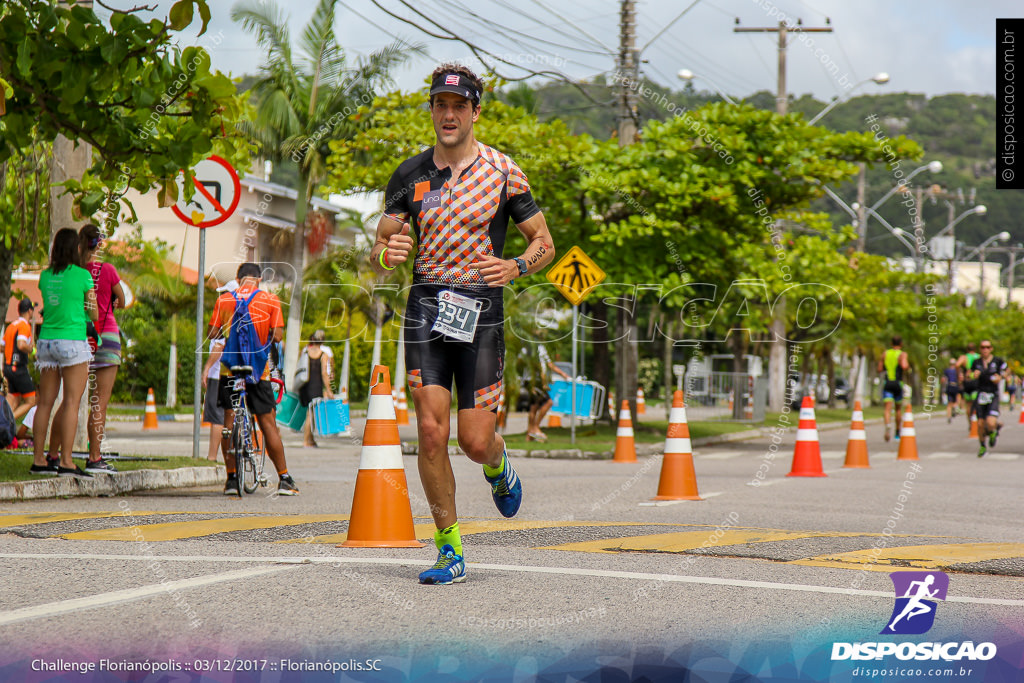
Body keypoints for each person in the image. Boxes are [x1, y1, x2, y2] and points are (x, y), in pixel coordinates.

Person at [373, 63, 555, 584]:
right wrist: (389, 255)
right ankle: (449, 550)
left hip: (481, 311)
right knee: (430, 432)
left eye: (458, 107)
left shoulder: (503, 172)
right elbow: (380, 244)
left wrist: (517, 265)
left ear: (475, 112)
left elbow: (543, 241)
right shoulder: (409, 175)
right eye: (439, 105)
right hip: (427, 306)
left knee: (474, 442)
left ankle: (498, 465)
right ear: (431, 111)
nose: (448, 115)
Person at [208, 262, 297, 495]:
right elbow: (277, 336)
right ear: (259, 281)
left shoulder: (224, 300)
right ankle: (285, 479)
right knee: (267, 423)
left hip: (230, 371)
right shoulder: (270, 300)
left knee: (228, 423)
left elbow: (213, 333)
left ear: (238, 280)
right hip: (258, 371)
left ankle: (230, 479)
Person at [31, 227, 99, 478]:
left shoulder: (45, 276)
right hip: (72, 342)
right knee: (71, 401)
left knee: (45, 403)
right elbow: (92, 313)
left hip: (47, 341)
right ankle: (67, 461)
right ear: (77, 249)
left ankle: (39, 460)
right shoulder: (82, 276)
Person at [79, 224, 125, 473]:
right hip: (106, 334)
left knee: (72, 400)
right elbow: (123, 300)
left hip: (80, 336)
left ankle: (58, 457)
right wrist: (112, 300)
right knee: (100, 402)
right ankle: (94, 457)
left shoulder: (74, 271)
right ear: (99, 244)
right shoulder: (107, 270)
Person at [297, 329, 335, 448]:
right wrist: (329, 389)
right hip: (315, 385)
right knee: (311, 413)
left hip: (304, 385)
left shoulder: (305, 351)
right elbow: (324, 373)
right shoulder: (324, 355)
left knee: (310, 412)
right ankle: (306, 441)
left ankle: (311, 439)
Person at [525, 343, 571, 441]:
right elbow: (535, 366)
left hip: (537, 381)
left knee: (534, 407)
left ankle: (530, 434)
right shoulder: (530, 347)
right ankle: (535, 429)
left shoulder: (541, 347)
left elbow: (549, 364)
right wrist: (543, 383)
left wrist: (563, 374)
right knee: (547, 403)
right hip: (533, 380)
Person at [971, 339, 1008, 458]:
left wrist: (1001, 376)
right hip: (981, 394)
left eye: (987, 347)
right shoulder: (976, 362)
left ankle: (994, 430)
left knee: (990, 422)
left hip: (993, 394)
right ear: (980, 349)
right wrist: (972, 374)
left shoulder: (997, 361)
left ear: (991, 348)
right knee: (980, 424)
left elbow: (1007, 371)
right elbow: (969, 374)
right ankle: (982, 446)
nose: (985, 349)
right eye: (983, 347)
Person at [3, 299, 37, 423]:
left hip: (7, 367)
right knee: (31, 400)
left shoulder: (11, 326)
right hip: (19, 368)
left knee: (13, 400)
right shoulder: (24, 326)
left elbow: (2, 346)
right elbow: (21, 344)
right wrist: (32, 350)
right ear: (29, 311)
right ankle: (7, 422)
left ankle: (4, 428)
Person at [878, 335, 909, 442]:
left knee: (887, 409)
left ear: (891, 344)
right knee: (898, 409)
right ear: (901, 344)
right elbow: (904, 366)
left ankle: (887, 426)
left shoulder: (885, 353)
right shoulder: (902, 354)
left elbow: (879, 368)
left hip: (887, 383)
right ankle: (897, 432)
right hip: (897, 383)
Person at [957, 342, 980, 434]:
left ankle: (971, 424)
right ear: (975, 349)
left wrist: (960, 374)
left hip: (967, 382)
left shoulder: (964, 357)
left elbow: (957, 365)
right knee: (977, 404)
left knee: (969, 405)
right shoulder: (979, 357)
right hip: (976, 382)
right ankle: (977, 422)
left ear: (967, 349)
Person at [942, 358, 961, 423]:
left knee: (950, 403)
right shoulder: (957, 370)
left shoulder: (947, 370)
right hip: (954, 386)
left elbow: (943, 379)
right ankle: (954, 409)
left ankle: (949, 415)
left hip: (950, 386)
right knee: (955, 401)